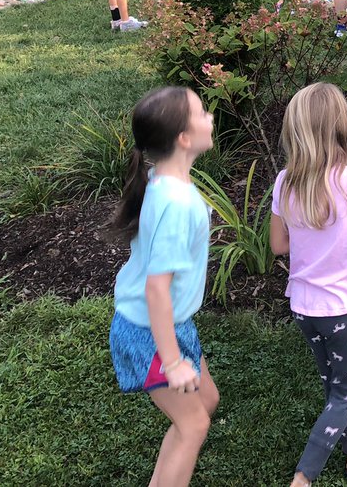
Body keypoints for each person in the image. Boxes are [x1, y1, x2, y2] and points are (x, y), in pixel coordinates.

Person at [270, 83, 347, 485]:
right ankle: (303, 477)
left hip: (304, 308)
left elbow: (278, 245)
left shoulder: (285, 181)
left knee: (334, 385)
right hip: (344, 308)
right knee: (345, 393)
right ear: (342, 128)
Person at [107, 87, 217, 487]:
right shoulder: (177, 203)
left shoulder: (161, 180)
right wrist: (172, 362)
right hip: (149, 332)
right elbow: (157, 290)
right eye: (202, 113)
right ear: (184, 139)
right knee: (193, 426)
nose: (210, 118)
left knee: (206, 402)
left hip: (170, 324)